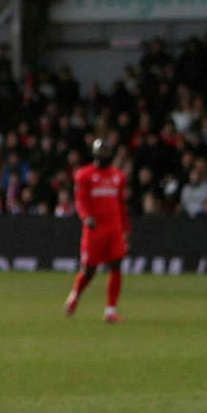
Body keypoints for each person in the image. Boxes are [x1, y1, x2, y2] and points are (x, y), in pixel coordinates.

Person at [65, 137, 129, 323]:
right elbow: (81, 200)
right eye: (102, 153)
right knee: (89, 270)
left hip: (114, 228)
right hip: (95, 229)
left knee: (116, 265)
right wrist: (86, 217)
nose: (104, 157)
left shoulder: (118, 176)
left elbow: (120, 205)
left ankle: (110, 310)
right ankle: (75, 295)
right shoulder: (84, 175)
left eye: (107, 153)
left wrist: (125, 228)